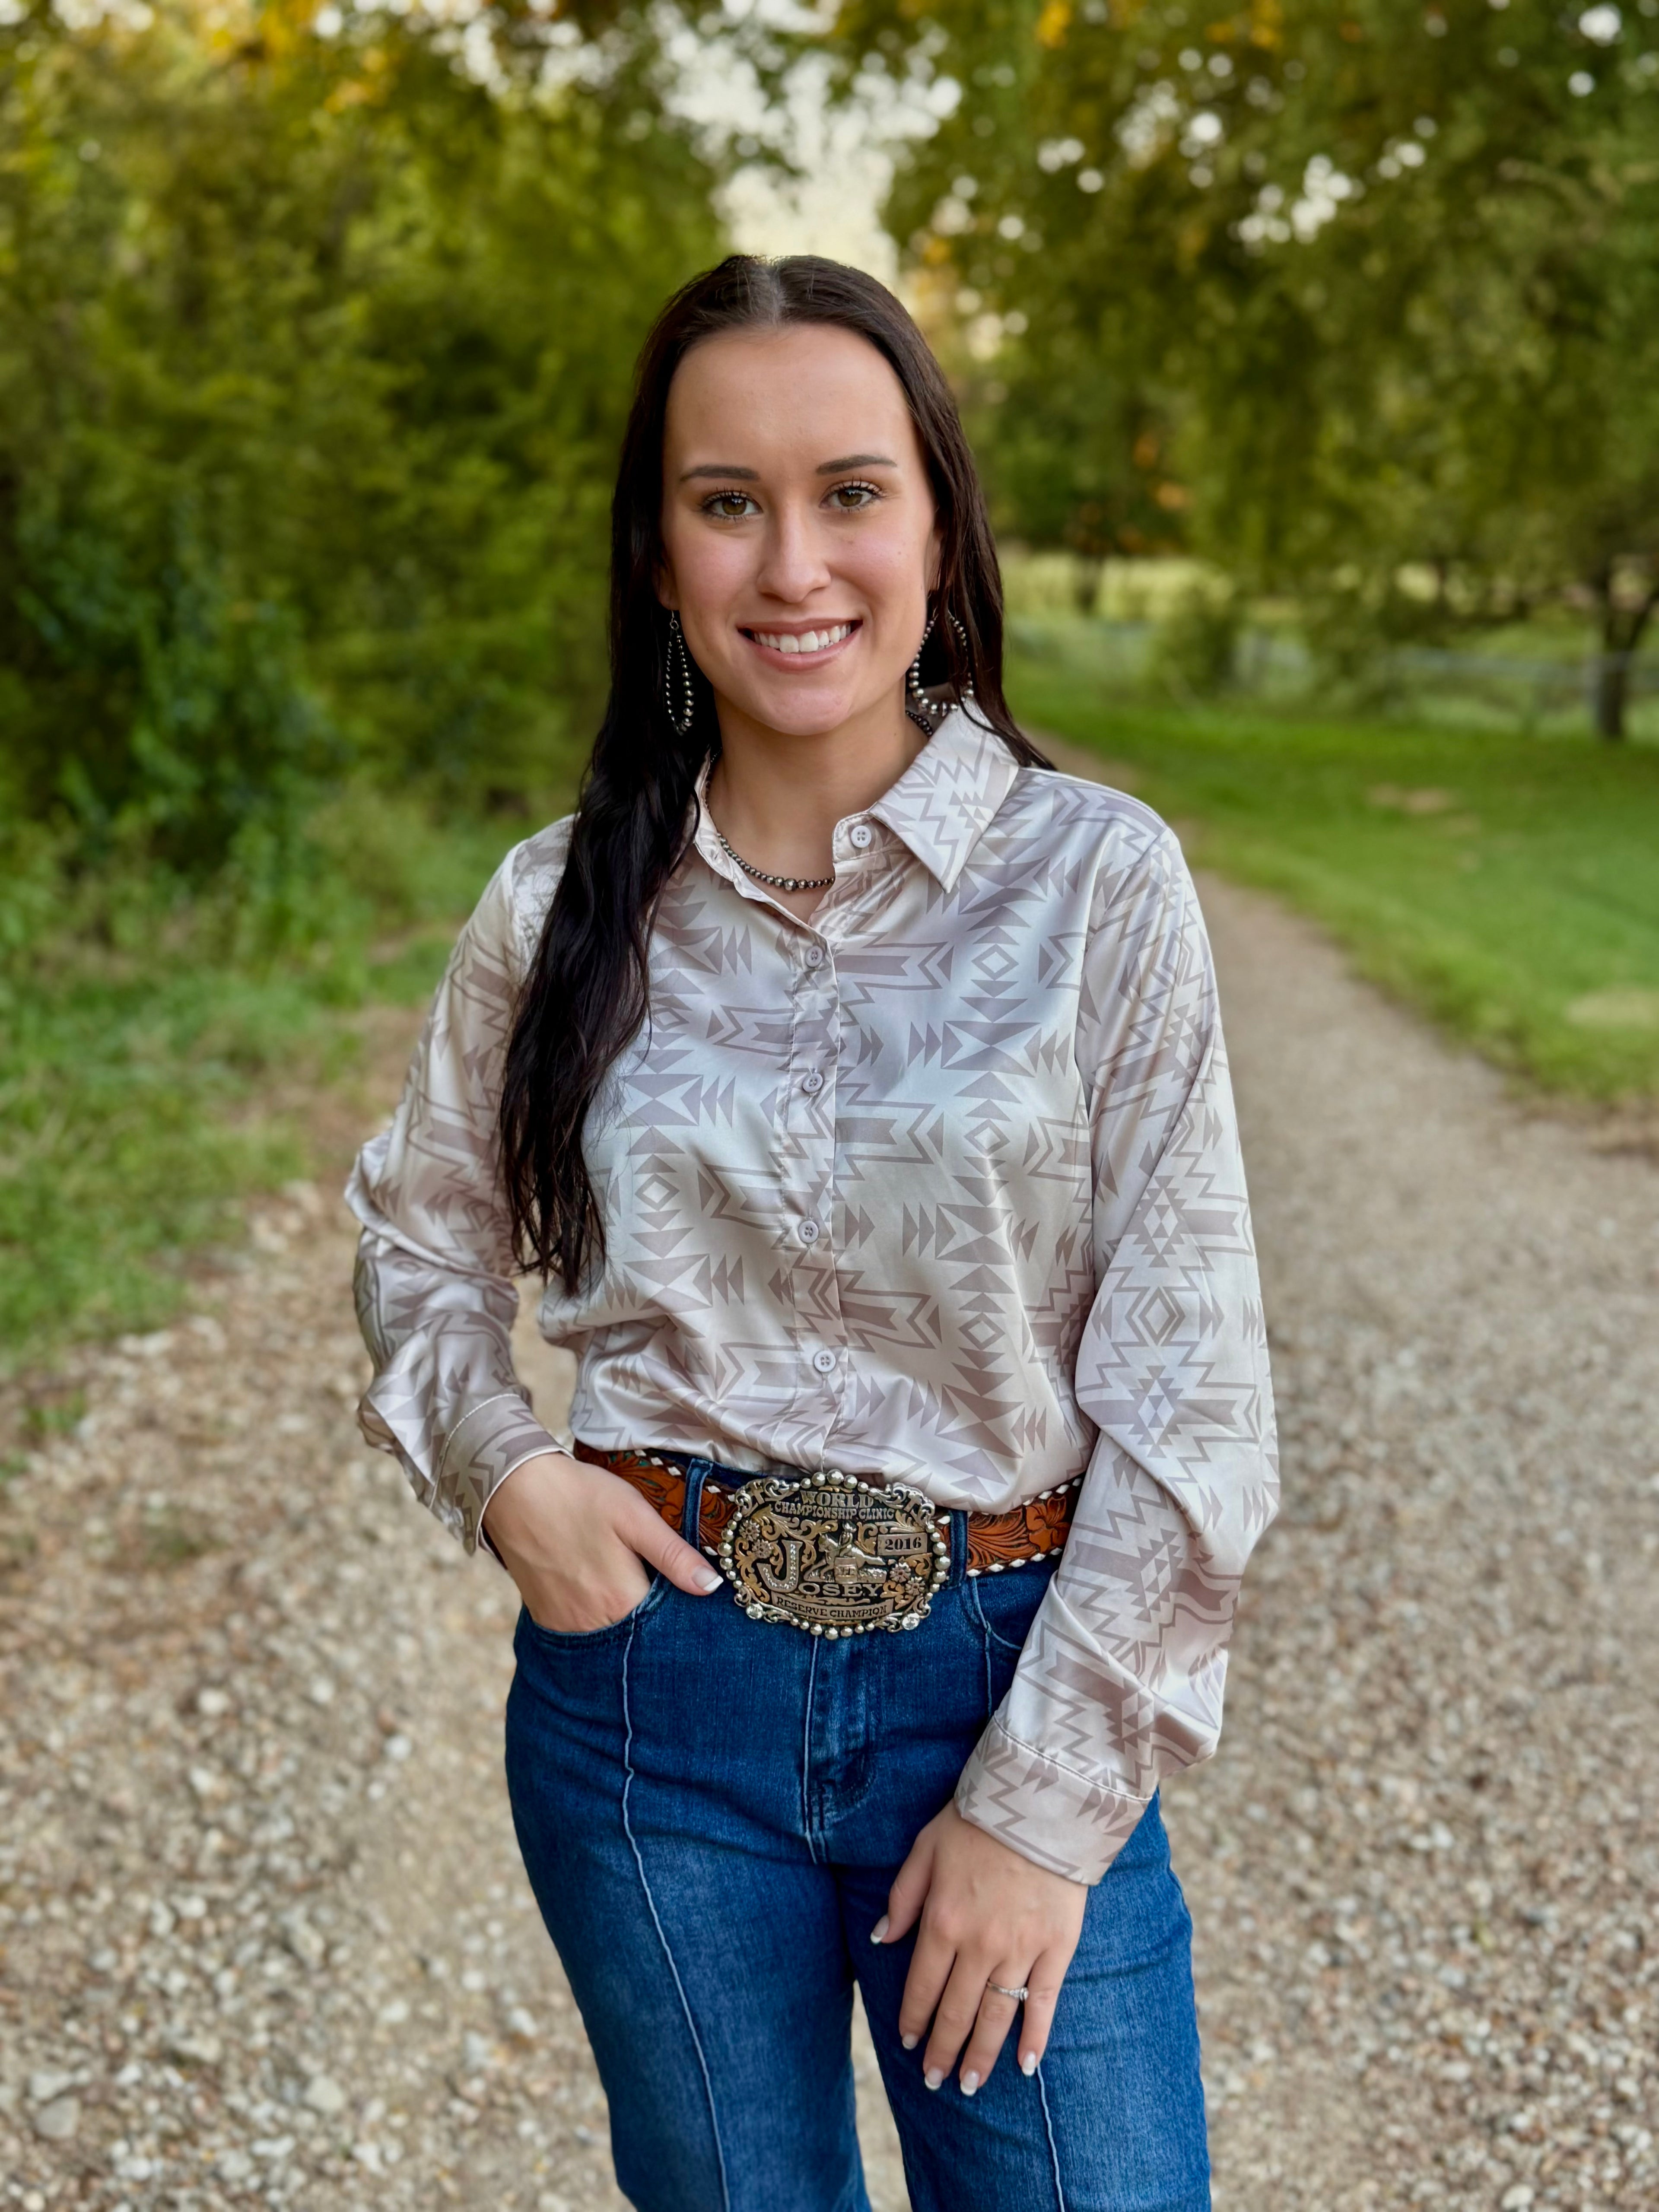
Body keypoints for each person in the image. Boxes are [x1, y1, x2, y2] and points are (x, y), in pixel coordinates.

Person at [346, 254, 1278, 2212]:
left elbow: (1195, 1393)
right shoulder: (554, 907)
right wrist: (508, 1475)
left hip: (999, 1672)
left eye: (851, 492)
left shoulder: (1097, 882)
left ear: (936, 526)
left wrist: (1039, 1810)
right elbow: (419, 1243)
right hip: (654, 1710)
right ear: (657, 551)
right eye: (728, 501)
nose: (793, 566)